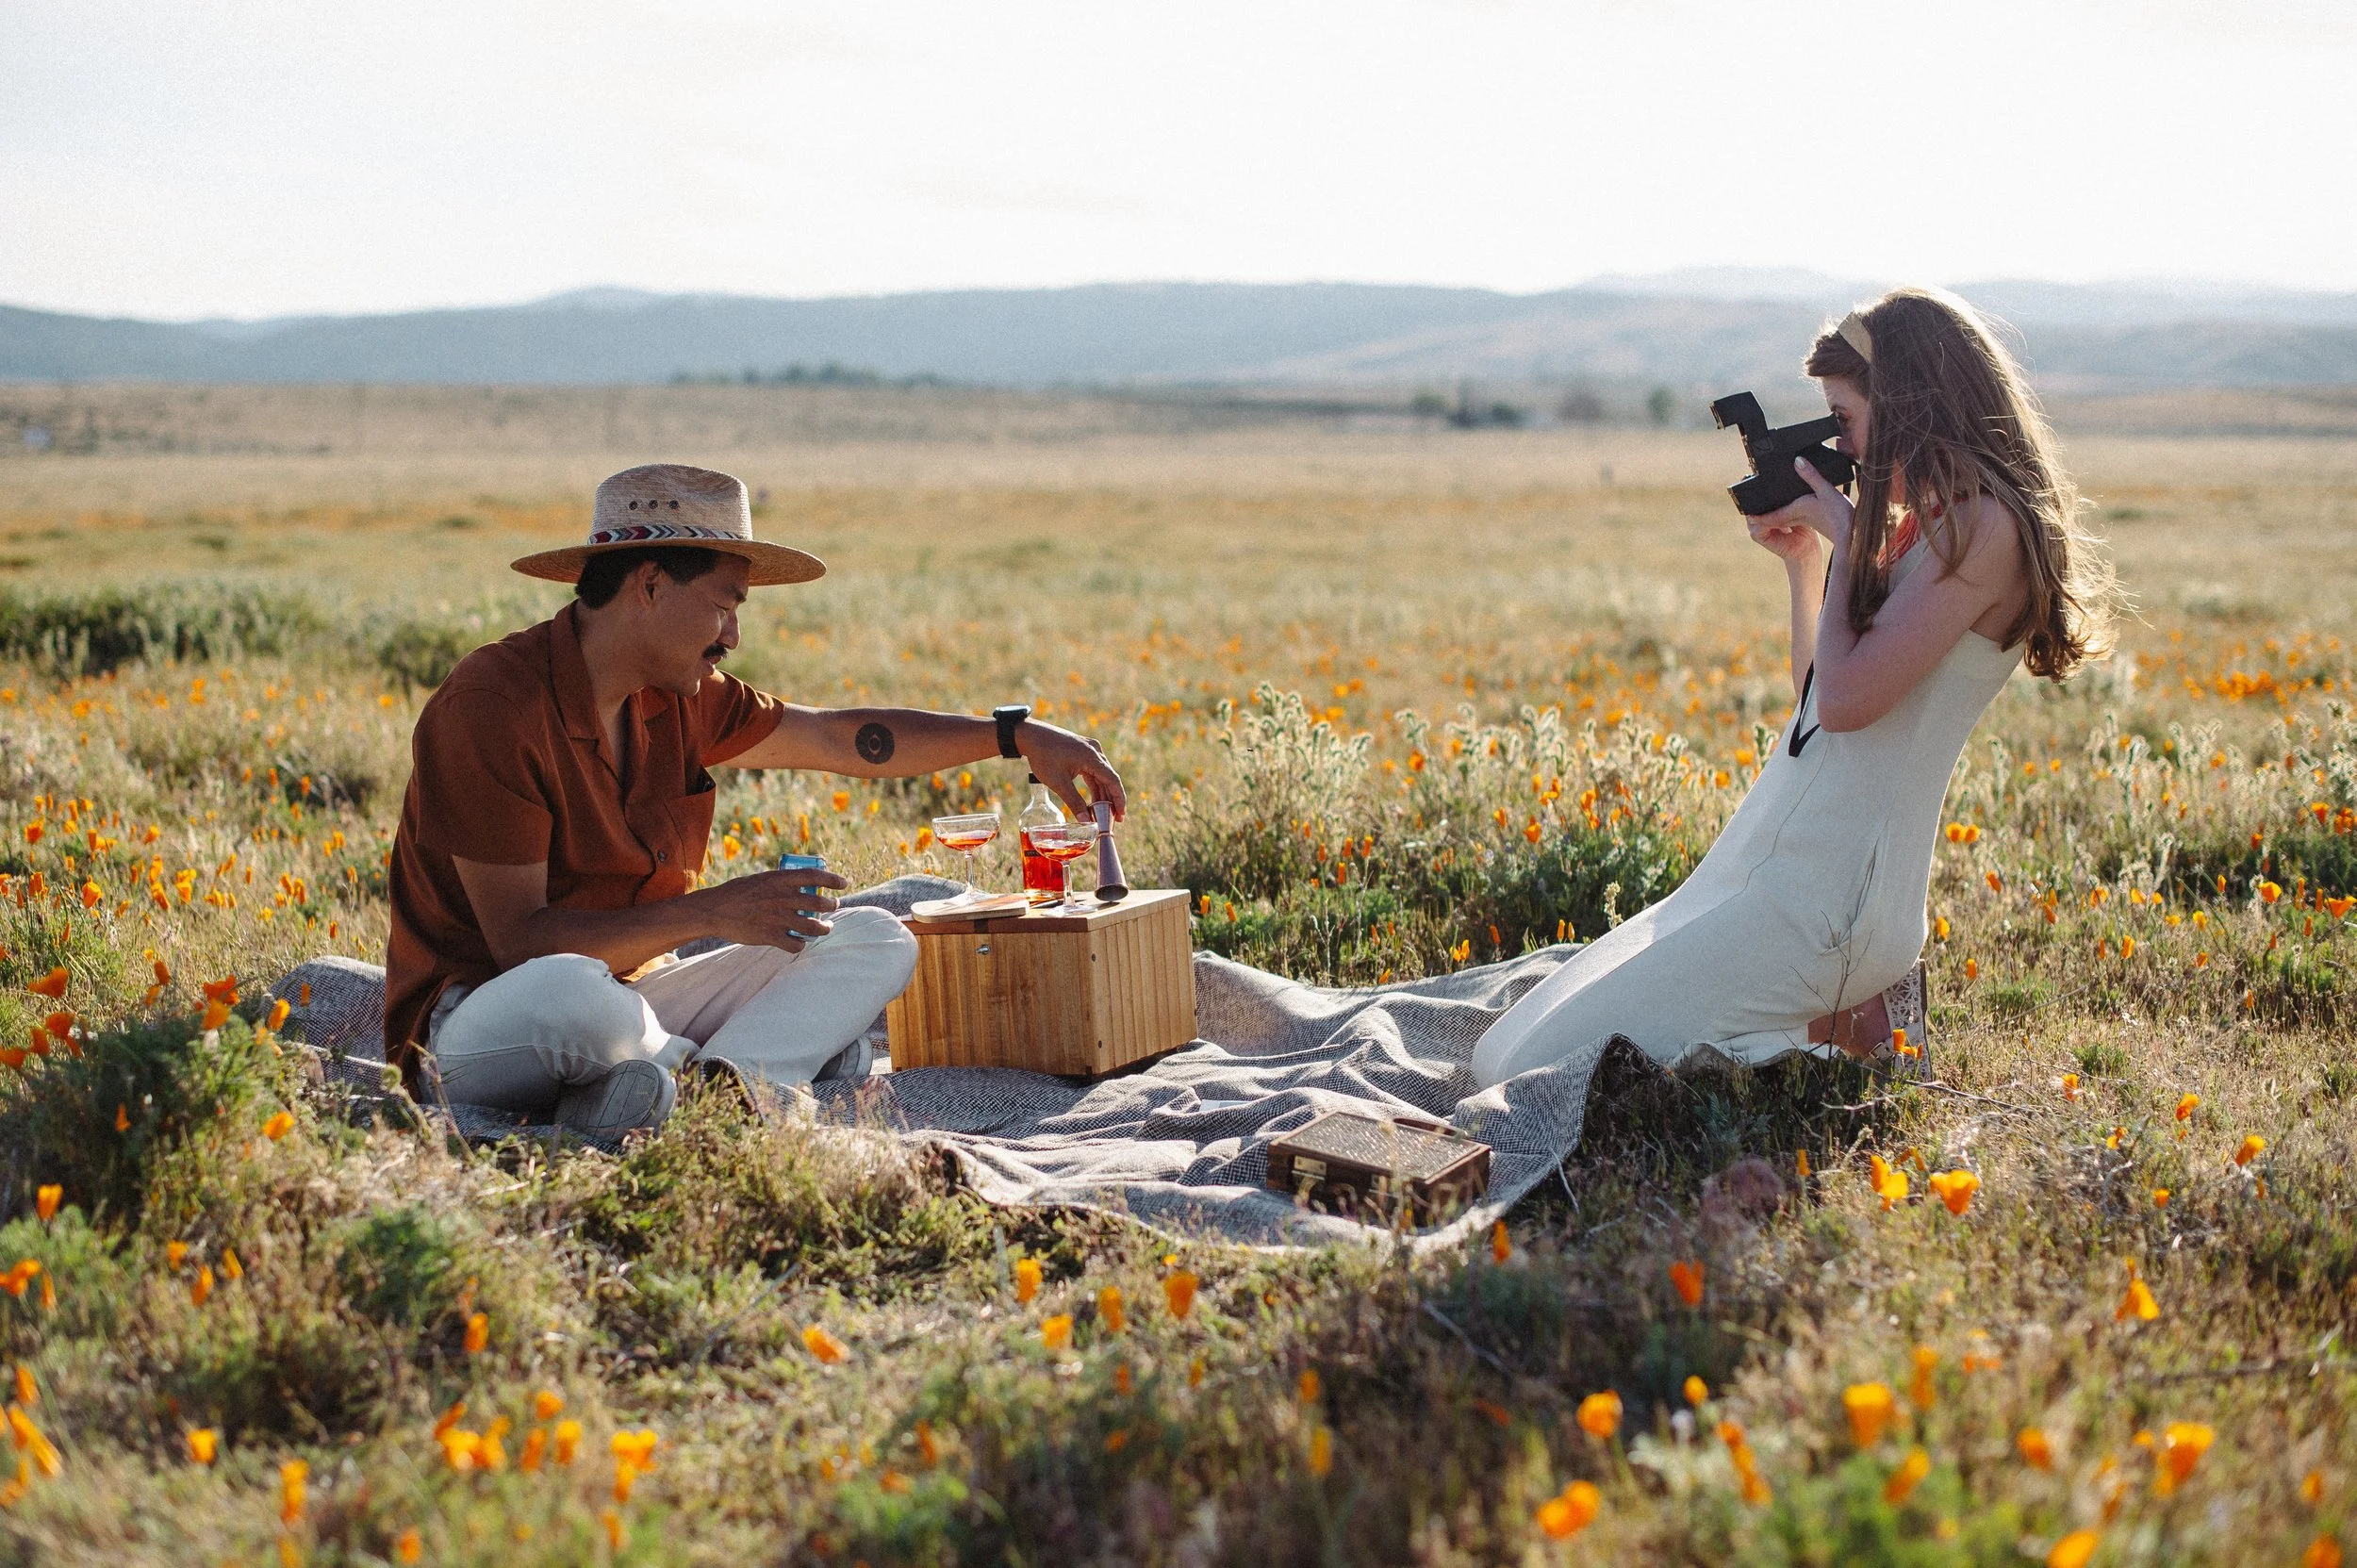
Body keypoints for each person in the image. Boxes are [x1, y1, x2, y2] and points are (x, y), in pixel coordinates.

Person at [1473, 289, 2115, 1087]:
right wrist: (1807, 562)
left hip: (1835, 902)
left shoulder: (1987, 531)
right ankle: (1832, 1021)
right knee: (1499, 1051)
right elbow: (1821, 693)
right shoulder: (1928, 520)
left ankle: (1846, 1049)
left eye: (1844, 418)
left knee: (1541, 1070)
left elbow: (1846, 705)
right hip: (1771, 865)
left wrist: (1850, 537)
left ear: (1911, 404)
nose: (1839, 443)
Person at [383, 463, 1125, 1134]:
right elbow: (521, 946)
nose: (733, 633)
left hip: (634, 1003)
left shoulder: (682, 695)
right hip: (490, 1022)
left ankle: (687, 1089)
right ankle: (739, 1076)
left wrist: (1014, 735)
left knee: (874, 938)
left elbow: (841, 739)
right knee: (571, 992)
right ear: (649, 585)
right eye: (724, 604)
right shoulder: (492, 705)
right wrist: (710, 913)